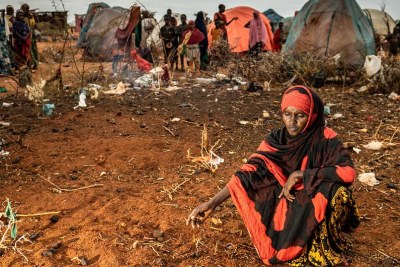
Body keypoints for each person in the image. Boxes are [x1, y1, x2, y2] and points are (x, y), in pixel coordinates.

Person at [187, 86, 360, 266]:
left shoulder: (325, 138)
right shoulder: (276, 140)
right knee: (259, 185)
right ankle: (291, 242)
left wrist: (302, 174)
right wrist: (212, 203)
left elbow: (348, 173)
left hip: (312, 196)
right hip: (287, 200)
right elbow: (246, 174)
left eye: (300, 115)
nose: (292, 122)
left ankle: (324, 245)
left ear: (313, 115)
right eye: (287, 114)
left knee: (338, 192)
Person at [21, 3, 38, 70]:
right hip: (32, 33)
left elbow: (28, 26)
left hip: (28, 34)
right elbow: (34, 25)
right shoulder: (31, 16)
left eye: (22, 9)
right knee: (34, 48)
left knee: (30, 49)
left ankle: (31, 63)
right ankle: (35, 64)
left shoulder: (25, 17)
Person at [0, 8, 12, 74]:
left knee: (4, 55)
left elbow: (7, 32)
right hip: (2, 42)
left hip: (3, 42)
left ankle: (6, 70)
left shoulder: (3, 23)